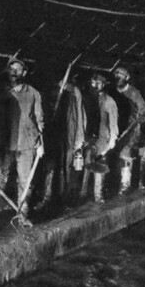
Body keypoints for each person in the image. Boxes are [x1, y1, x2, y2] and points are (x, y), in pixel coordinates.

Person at [0, 58, 44, 220]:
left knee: (25, 179)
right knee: (0, 177)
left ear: (24, 73)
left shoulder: (33, 93)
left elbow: (40, 120)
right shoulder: (1, 93)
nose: (14, 72)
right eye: (11, 69)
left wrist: (41, 144)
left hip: (27, 144)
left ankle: (23, 212)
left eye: (18, 69)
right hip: (6, 143)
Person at [35, 79, 86, 212]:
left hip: (68, 134)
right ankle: (47, 198)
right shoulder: (47, 91)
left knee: (68, 167)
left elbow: (79, 115)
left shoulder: (74, 92)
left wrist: (80, 137)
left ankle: (65, 199)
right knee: (50, 167)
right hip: (52, 134)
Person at [81, 71, 118, 203]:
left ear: (103, 84)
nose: (95, 85)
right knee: (86, 164)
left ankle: (98, 195)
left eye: (98, 83)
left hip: (103, 139)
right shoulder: (87, 98)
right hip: (90, 138)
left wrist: (113, 138)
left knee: (100, 166)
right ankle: (83, 193)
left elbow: (113, 121)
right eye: (93, 82)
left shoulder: (109, 101)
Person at [112, 65, 145, 194]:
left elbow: (143, 112)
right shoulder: (114, 92)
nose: (117, 78)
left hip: (133, 129)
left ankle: (126, 185)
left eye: (120, 76)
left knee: (126, 154)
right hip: (117, 128)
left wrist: (136, 124)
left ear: (126, 78)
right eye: (116, 75)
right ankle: (120, 182)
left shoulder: (134, 93)